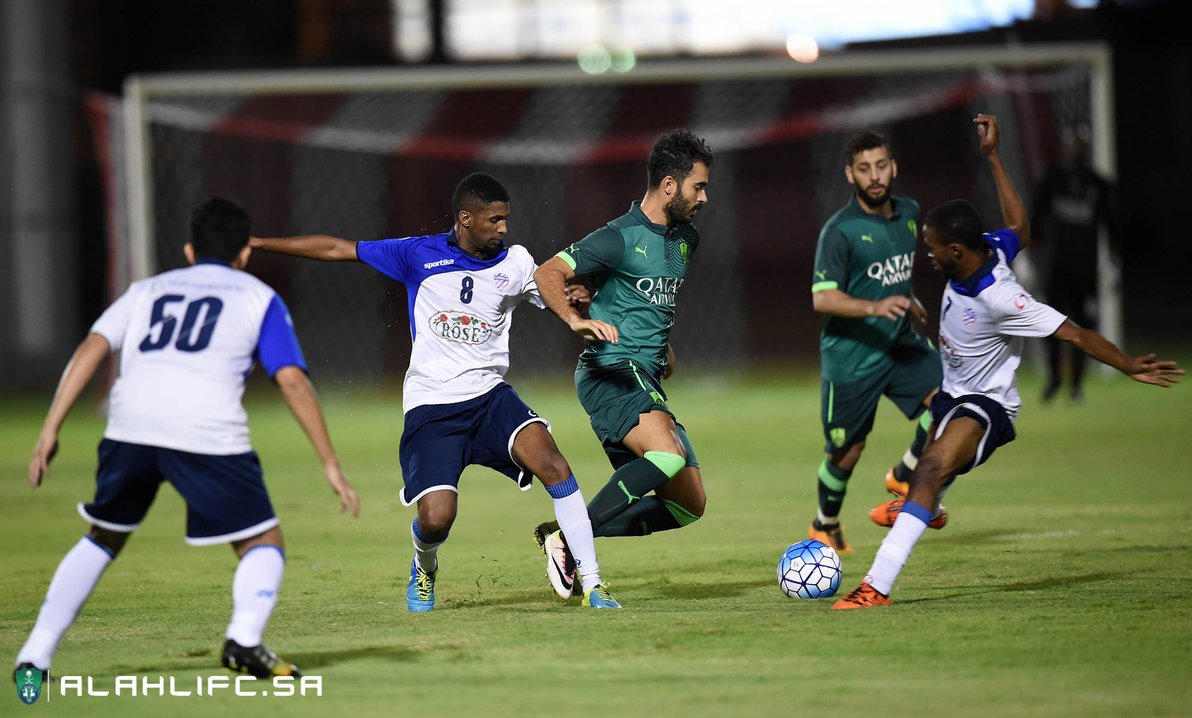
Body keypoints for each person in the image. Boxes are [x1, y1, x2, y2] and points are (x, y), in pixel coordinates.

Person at [832, 114, 1183, 610]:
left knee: (929, 467)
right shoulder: (990, 247)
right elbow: (1020, 226)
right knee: (924, 478)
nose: (927, 255)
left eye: (932, 248)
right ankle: (925, 507)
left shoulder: (1003, 298)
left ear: (955, 250)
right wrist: (994, 157)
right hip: (954, 393)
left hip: (986, 405)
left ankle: (876, 587)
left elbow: (1073, 332)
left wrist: (1126, 364)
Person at [13, 198, 360, 688]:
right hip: (205, 431)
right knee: (262, 540)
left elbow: (92, 346)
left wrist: (51, 427)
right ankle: (243, 639)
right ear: (244, 252)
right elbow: (291, 379)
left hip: (129, 425)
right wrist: (329, 462)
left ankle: (35, 654)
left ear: (191, 250)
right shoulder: (258, 297)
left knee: (104, 535)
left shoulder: (145, 290)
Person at [250, 172, 620, 611]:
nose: (504, 228)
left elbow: (552, 290)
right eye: (495, 220)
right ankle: (424, 566)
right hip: (433, 407)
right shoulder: (416, 254)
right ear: (466, 219)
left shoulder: (516, 262)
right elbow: (336, 248)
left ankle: (595, 584)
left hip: (490, 397)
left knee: (554, 464)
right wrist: (257, 243)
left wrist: (576, 299)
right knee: (437, 518)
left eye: (506, 219)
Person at [532, 128, 711, 597]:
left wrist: (661, 349)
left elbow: (641, 302)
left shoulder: (686, 239)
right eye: (698, 187)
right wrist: (573, 318)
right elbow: (549, 271)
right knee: (666, 456)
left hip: (643, 374)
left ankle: (566, 537)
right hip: (609, 371)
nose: (705, 197)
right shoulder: (618, 237)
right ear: (669, 186)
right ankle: (571, 537)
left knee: (688, 506)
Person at [808, 129, 943, 554]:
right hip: (853, 358)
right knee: (847, 452)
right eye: (864, 169)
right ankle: (824, 523)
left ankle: (904, 475)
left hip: (900, 343)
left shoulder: (909, 213)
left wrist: (909, 299)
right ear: (851, 175)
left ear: (893, 167)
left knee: (951, 399)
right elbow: (822, 297)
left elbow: (889, 274)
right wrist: (876, 306)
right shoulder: (840, 231)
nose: (875, 175)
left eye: (881, 166)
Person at [1032, 124, 1118, 403]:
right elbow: (1034, 221)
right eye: (1073, 143)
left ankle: (1077, 384)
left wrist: (1113, 262)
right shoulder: (1051, 179)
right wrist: (1025, 256)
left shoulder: (1100, 185)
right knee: (1049, 325)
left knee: (1083, 326)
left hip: (1085, 270)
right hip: (1055, 268)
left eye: (1082, 143)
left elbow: (1112, 227)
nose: (1077, 149)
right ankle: (1054, 376)